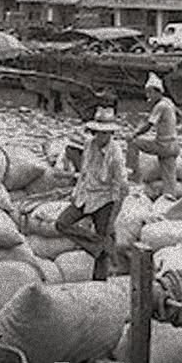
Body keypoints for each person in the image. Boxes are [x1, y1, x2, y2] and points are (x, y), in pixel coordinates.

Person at [56, 105, 128, 281]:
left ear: (111, 134)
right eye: (97, 132)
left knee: (103, 249)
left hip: (105, 201)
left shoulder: (116, 155)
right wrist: (76, 192)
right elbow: (85, 173)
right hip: (85, 196)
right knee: (61, 223)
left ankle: (99, 282)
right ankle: (100, 244)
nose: (100, 137)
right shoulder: (88, 144)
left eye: (105, 133)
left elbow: (122, 188)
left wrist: (113, 218)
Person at [129, 72, 180, 197]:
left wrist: (134, 133)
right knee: (169, 179)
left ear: (157, 92)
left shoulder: (160, 106)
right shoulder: (168, 102)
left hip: (163, 145)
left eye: (150, 92)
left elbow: (149, 125)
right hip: (173, 145)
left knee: (133, 143)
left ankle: (133, 174)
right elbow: (180, 116)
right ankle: (169, 200)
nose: (148, 96)